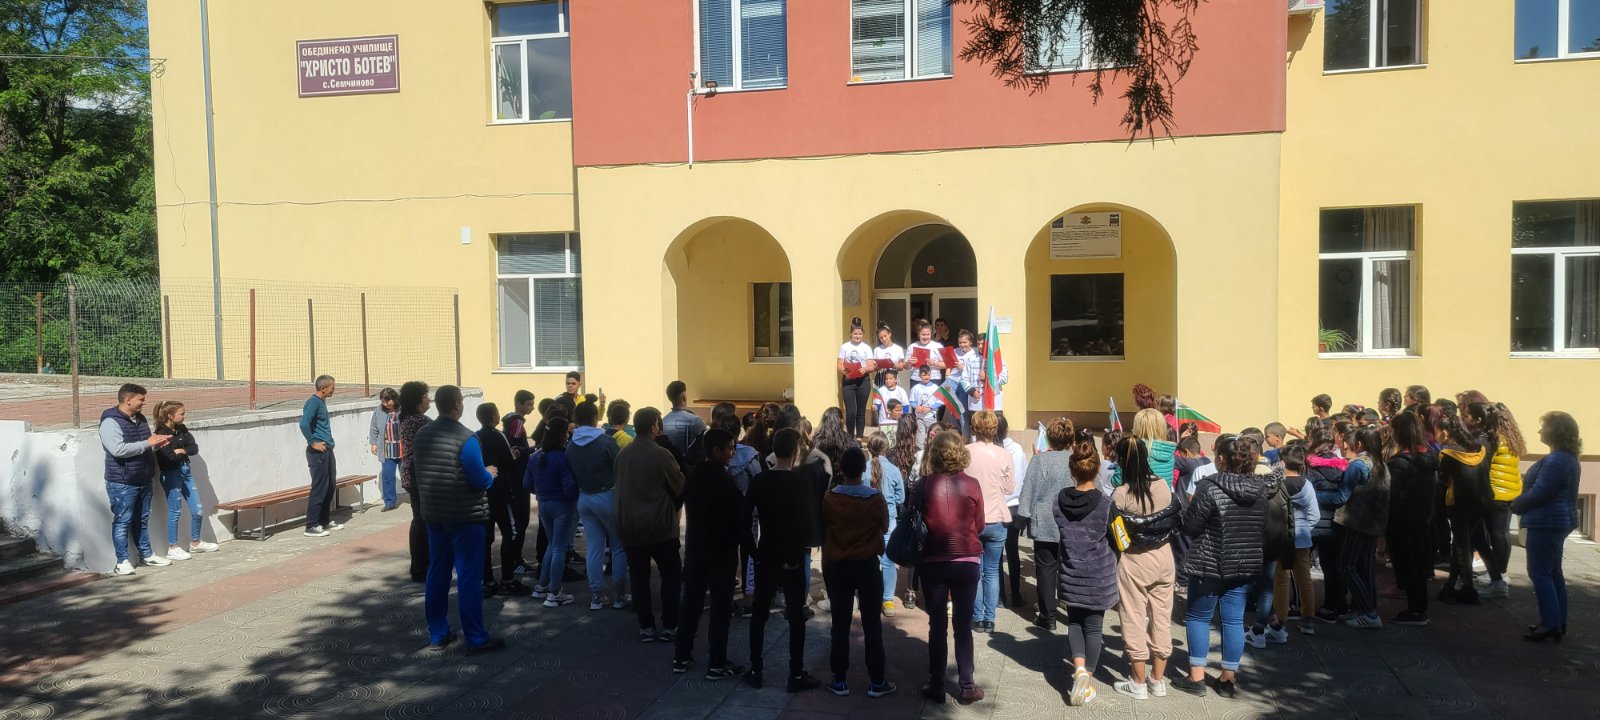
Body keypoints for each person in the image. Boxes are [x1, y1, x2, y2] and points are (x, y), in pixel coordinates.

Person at [1173, 435, 1268, 698]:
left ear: (1221, 458)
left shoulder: (1209, 485)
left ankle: (1196, 677)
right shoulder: (1260, 488)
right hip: (1245, 562)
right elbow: (1263, 524)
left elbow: (1191, 525)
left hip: (1210, 560)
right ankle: (1228, 679)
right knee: (1234, 620)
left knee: (1198, 617)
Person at [412, 385, 504, 655]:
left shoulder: (421, 435)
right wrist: (490, 474)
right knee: (468, 577)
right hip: (465, 516)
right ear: (456, 404)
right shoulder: (466, 438)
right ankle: (475, 637)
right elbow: (478, 479)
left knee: (437, 572)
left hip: (434, 513)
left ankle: (438, 632)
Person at [744, 428, 825, 692]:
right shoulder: (800, 482)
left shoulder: (760, 480)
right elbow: (806, 521)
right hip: (792, 552)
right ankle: (795, 673)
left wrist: (752, 550)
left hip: (767, 550)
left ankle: (756, 669)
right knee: (796, 614)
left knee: (760, 612)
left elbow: (744, 518)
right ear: (795, 452)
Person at [913, 430, 985, 705]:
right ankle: (967, 685)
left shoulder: (923, 485)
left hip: (933, 559)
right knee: (963, 626)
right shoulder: (972, 484)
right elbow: (980, 524)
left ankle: (936, 684)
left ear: (934, 454)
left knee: (937, 625)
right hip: (966, 559)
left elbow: (914, 520)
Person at [672, 429, 749, 679]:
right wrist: (747, 544)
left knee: (692, 603)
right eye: (729, 448)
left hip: (696, 548)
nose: (732, 453)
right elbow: (739, 515)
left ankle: (681, 655)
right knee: (720, 607)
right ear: (716, 451)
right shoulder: (724, 480)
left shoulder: (694, 475)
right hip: (721, 550)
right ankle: (717, 662)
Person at [822, 448, 896, 698]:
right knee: (872, 623)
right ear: (864, 469)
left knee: (840, 623)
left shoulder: (830, 497)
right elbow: (884, 525)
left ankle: (839, 679)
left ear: (841, 469)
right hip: (867, 565)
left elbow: (826, 522)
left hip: (839, 565)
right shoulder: (875, 498)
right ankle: (877, 680)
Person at [1110, 437, 1180, 701]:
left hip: (1134, 560)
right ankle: (1157, 679)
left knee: (1133, 617)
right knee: (1162, 617)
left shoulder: (1121, 494)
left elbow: (1117, 535)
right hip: (1164, 557)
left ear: (1121, 461)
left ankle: (1138, 682)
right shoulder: (1162, 486)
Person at [1054, 436, 1118, 708]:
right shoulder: (1107, 504)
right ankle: (1087, 678)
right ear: (1097, 469)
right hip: (1099, 578)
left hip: (1071, 573)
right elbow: (1122, 540)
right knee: (1093, 628)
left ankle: (1079, 669)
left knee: (1074, 623)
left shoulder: (1059, 501)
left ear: (1073, 471)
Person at [615, 407, 686, 641]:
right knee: (671, 576)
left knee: (639, 577)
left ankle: (645, 626)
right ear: (655, 426)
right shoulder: (662, 455)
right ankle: (670, 625)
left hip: (631, 526)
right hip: (659, 526)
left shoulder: (623, 454)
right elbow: (679, 485)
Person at [1513, 412, 1582, 643]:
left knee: (1540, 573)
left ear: (1556, 431)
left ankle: (1550, 623)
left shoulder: (1557, 460)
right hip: (1556, 521)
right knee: (1553, 573)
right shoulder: (1565, 458)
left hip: (1547, 522)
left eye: (1544, 427)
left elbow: (1542, 492)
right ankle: (1557, 621)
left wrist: (1517, 505)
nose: (1539, 431)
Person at [101, 384, 173, 574]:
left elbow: (144, 444)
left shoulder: (140, 419)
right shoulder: (110, 421)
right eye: (141, 399)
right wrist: (147, 443)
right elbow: (118, 450)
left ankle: (146, 555)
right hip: (123, 481)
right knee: (122, 521)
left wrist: (157, 443)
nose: (144, 403)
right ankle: (121, 562)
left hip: (144, 477)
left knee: (141, 519)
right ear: (127, 400)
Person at [1324, 426, 1389, 629]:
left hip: (1357, 522)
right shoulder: (1380, 463)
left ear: (1358, 443)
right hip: (1374, 522)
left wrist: (1313, 495)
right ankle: (1367, 609)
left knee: (1346, 566)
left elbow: (1341, 497)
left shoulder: (1358, 465)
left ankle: (1369, 612)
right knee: (1364, 566)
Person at [568, 401, 628, 610]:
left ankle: (597, 596)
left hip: (584, 498)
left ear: (576, 419)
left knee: (594, 548)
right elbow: (619, 467)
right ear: (595, 418)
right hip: (607, 496)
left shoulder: (571, 444)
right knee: (618, 547)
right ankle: (619, 596)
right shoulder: (606, 442)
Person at [1016, 418, 1075, 630]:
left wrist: (1022, 517)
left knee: (1046, 570)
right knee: (1071, 568)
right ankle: (1074, 614)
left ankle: (1048, 617)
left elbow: (1029, 489)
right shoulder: (1079, 459)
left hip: (1046, 523)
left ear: (1049, 437)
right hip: (1073, 524)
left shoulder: (1040, 460)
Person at [1384, 413, 1437, 626]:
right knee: (1418, 565)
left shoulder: (1399, 463)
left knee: (1406, 565)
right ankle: (1419, 607)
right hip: (1422, 518)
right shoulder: (1429, 459)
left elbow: (1390, 494)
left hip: (1400, 521)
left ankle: (1416, 611)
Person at [964, 411, 1014, 634]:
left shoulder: (966, 452)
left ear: (975, 428)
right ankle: (989, 618)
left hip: (971, 519)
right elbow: (1010, 488)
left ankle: (977, 617)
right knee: (992, 570)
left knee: (975, 570)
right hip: (997, 518)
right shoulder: (1004, 454)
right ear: (994, 429)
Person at [1436, 415, 1490, 606]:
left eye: (1436, 432)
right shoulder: (1480, 449)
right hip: (1481, 502)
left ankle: (1468, 589)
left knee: (1461, 546)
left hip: (1459, 504)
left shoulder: (1447, 455)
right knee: (1461, 544)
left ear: (1445, 433)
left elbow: (1442, 483)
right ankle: (1451, 585)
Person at [153, 401, 217, 560]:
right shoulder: (161, 433)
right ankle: (173, 547)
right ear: (170, 415)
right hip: (171, 473)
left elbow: (194, 448)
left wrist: (181, 450)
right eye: (181, 413)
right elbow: (169, 457)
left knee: (198, 509)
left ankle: (196, 542)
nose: (184, 416)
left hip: (186, 471)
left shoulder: (181, 429)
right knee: (175, 511)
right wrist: (179, 452)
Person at [1472, 402, 1521, 598]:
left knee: (1493, 535)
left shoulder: (1493, 439)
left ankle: (1499, 576)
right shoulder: (1512, 438)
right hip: (1510, 491)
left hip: (1495, 492)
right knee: (1502, 534)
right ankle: (1501, 573)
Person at [474, 403, 524, 596]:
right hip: (501, 492)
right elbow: (509, 463)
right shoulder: (498, 435)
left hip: (484, 493)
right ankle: (508, 579)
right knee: (510, 533)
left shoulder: (475, 437)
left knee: (485, 538)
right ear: (493, 417)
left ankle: (487, 580)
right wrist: (515, 455)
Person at [528, 416, 578, 606]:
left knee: (552, 544)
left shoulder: (535, 456)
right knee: (559, 547)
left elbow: (527, 483)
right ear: (562, 434)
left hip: (543, 503)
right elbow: (569, 486)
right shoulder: (563, 457)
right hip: (561, 505)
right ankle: (555, 592)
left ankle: (542, 585)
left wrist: (542, 493)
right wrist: (572, 497)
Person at [864, 432, 906, 617]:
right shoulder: (894, 470)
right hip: (889, 519)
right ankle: (888, 600)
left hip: (867, 520)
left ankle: (869, 595)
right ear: (887, 448)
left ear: (869, 448)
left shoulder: (864, 469)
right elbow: (901, 498)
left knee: (869, 559)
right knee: (888, 560)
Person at [298, 375, 341, 537]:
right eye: (332, 387)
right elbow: (304, 423)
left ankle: (323, 521)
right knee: (320, 487)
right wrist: (312, 442)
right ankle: (311, 525)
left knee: (330, 486)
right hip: (318, 452)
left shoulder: (321, 402)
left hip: (327, 450)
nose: (333, 390)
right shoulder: (314, 403)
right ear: (323, 389)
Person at [398, 381, 432, 582]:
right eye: (426, 396)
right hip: (419, 475)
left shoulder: (406, 418)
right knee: (422, 520)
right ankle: (421, 566)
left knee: (419, 519)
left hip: (410, 474)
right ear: (418, 400)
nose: (429, 399)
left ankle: (419, 566)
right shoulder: (420, 421)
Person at [501, 390, 536, 575]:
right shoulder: (517, 423)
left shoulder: (511, 422)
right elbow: (515, 449)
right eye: (529, 404)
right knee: (521, 522)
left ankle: (516, 559)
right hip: (517, 479)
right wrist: (532, 450)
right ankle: (516, 561)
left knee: (519, 522)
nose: (532, 407)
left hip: (515, 478)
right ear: (519, 404)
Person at [997, 416, 1027, 608]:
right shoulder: (1016, 449)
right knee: (1012, 550)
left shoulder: (991, 450)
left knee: (996, 554)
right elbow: (1023, 476)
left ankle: (1000, 596)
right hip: (1014, 505)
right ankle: (1015, 594)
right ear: (1007, 430)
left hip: (997, 506)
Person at [839, 317, 874, 438]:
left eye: (860, 334)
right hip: (849, 381)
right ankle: (849, 436)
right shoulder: (844, 347)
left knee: (860, 412)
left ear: (863, 333)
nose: (857, 336)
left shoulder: (866, 348)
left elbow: (871, 366)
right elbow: (839, 365)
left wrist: (865, 369)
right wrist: (844, 371)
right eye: (855, 334)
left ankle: (859, 437)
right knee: (851, 412)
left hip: (863, 381)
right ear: (851, 333)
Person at [369, 388, 402, 511]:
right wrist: (373, 443)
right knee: (387, 476)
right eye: (383, 401)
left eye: (388, 401)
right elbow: (373, 428)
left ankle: (417, 499)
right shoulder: (379, 411)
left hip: (403, 448)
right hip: (387, 449)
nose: (385, 404)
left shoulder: (404, 409)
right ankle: (390, 502)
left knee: (408, 476)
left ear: (394, 399)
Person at [1131, 409, 1176, 487]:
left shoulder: (1135, 449)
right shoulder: (1169, 450)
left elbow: (1117, 481)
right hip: (1163, 494)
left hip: (1139, 493)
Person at [907, 365, 941, 444]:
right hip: (919, 418)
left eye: (928, 375)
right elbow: (912, 401)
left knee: (932, 437)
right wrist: (916, 406)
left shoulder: (935, 387)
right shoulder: (915, 388)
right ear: (919, 375)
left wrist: (930, 408)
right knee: (920, 437)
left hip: (931, 417)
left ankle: (931, 449)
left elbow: (939, 401)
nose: (926, 377)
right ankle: (920, 449)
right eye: (924, 375)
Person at [872, 322, 906, 390]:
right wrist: (879, 366)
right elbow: (874, 367)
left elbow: (901, 366)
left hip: (893, 378)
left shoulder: (898, 349)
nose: (884, 339)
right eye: (881, 338)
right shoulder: (877, 350)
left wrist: (894, 365)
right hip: (880, 379)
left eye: (885, 336)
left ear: (889, 334)